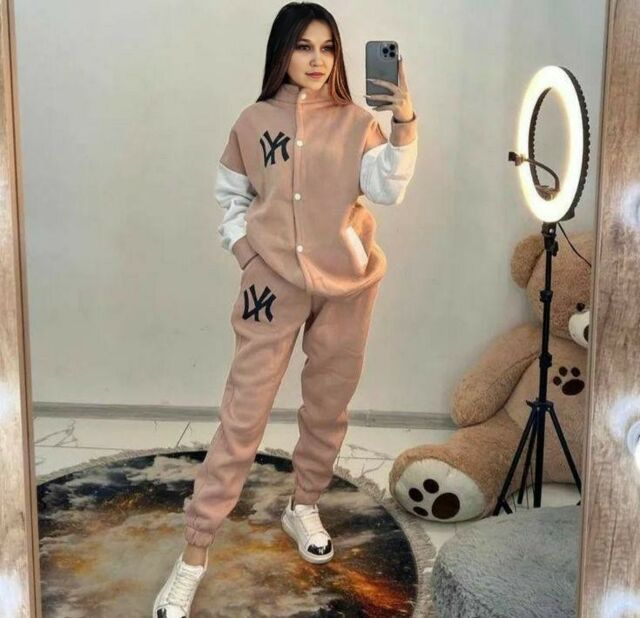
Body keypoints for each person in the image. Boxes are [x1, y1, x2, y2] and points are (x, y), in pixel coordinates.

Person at [153, 2, 417, 615]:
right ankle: (195, 552)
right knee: (243, 413)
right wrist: (247, 254)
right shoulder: (253, 122)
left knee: (328, 403)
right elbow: (231, 196)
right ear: (282, 53)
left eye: (327, 48)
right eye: (303, 47)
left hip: (347, 283)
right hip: (271, 284)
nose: (317, 59)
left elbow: (386, 188)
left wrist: (403, 118)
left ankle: (305, 505)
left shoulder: (357, 121)